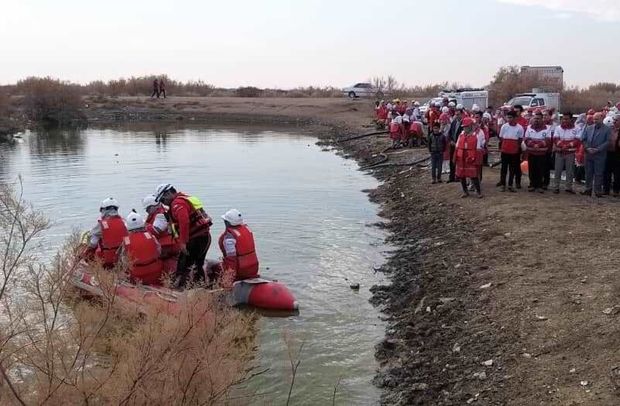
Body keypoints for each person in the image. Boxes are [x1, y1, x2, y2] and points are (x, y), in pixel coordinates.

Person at [155, 184, 213, 288]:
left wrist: (183, 242)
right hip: (204, 236)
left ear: (168, 194)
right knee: (197, 264)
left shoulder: (177, 204)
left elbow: (184, 221)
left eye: (163, 200)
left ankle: (182, 290)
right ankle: (202, 286)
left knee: (184, 267)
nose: (163, 203)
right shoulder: (184, 198)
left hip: (195, 239)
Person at [120, 211, 164, 285]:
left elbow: (124, 260)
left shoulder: (126, 241)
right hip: (155, 270)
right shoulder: (151, 236)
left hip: (138, 274)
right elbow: (159, 251)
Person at [84, 198, 128, 268]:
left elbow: (93, 243)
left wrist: (85, 255)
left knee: (92, 251)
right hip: (124, 259)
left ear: (104, 210)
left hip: (108, 261)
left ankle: (93, 269)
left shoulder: (101, 225)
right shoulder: (125, 222)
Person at [218, 209, 259, 282]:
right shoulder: (247, 229)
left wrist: (228, 279)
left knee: (217, 269)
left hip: (241, 271)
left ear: (227, 222)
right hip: (254, 268)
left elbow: (231, 259)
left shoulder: (229, 238)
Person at [143, 194, 178, 273]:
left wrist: (143, 227)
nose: (146, 211)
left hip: (167, 245)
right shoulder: (164, 210)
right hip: (171, 242)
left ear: (153, 206)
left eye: (147, 209)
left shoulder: (160, 215)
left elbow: (157, 230)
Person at [581, 112, 611, 197]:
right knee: (588, 173)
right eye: (594, 119)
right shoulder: (588, 128)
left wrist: (597, 149)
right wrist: (587, 148)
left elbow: (608, 142)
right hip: (588, 154)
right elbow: (583, 139)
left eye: (597, 119)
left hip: (599, 155)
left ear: (602, 119)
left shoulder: (607, 129)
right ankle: (588, 189)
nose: (595, 121)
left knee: (598, 173)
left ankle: (597, 191)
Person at [454, 117, 484, 198]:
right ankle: (465, 191)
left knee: (473, 175)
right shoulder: (461, 135)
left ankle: (478, 192)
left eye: (466, 126)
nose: (465, 128)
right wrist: (455, 158)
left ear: (471, 126)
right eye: (464, 126)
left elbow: (478, 149)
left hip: (471, 158)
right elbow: (457, 146)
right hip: (461, 158)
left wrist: (476, 160)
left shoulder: (476, 136)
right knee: (462, 175)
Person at [552, 112, 581, 194]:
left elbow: (577, 140)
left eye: (567, 119)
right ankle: (556, 187)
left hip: (570, 153)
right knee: (557, 170)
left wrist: (567, 145)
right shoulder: (558, 128)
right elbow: (555, 139)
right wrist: (562, 145)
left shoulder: (577, 128)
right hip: (559, 152)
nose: (564, 120)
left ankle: (568, 187)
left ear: (571, 119)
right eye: (563, 118)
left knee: (570, 171)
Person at [523, 110, 551, 193]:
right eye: (535, 118)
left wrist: (538, 145)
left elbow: (548, 140)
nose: (536, 120)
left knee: (541, 169)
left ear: (542, 119)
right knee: (532, 169)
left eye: (538, 118)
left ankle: (539, 185)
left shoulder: (547, 128)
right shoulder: (529, 128)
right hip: (531, 152)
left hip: (542, 153)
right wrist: (533, 144)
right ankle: (532, 184)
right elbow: (526, 139)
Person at [498, 110, 524, 192]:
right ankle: (503, 184)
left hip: (514, 151)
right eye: (508, 117)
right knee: (503, 168)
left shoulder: (520, 128)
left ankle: (510, 185)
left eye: (510, 117)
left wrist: (515, 146)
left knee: (512, 169)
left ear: (515, 118)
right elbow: (501, 138)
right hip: (505, 150)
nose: (509, 119)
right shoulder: (504, 126)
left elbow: (520, 140)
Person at [603, 115, 620, 195]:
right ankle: (606, 190)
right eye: (614, 120)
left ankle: (616, 190)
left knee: (617, 173)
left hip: (618, 154)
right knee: (606, 172)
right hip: (608, 153)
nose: (614, 122)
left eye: (616, 120)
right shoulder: (609, 130)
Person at [513, 105, 529, 188]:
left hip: (520, 144)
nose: (516, 112)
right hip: (512, 145)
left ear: (521, 112)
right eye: (515, 110)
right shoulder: (511, 120)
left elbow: (526, 133)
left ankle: (518, 181)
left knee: (520, 163)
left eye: (517, 111)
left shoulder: (524, 121)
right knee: (512, 164)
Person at [447, 106, 463, 182]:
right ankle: (452, 177)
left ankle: (459, 176)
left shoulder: (464, 124)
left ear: (462, 114)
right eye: (456, 114)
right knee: (452, 161)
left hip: (460, 146)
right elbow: (450, 133)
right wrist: (450, 141)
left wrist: (457, 143)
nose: (457, 116)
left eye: (458, 114)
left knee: (459, 161)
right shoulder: (454, 122)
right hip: (453, 145)